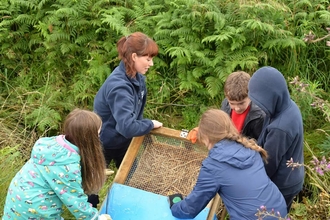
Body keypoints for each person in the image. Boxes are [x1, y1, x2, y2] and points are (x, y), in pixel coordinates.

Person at [169, 109, 287, 220]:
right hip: (278, 209)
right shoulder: (249, 148)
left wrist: (175, 206)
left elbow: (190, 209)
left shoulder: (213, 166)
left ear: (205, 136)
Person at [2, 109, 111, 220]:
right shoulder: (67, 168)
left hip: (15, 206)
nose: (99, 138)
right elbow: (75, 202)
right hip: (35, 212)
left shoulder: (51, 145)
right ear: (89, 139)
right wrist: (97, 218)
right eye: (97, 134)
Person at [94, 32, 163, 169]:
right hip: (104, 143)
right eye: (148, 59)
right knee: (92, 186)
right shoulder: (120, 87)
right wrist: (149, 124)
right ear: (134, 57)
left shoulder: (137, 78)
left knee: (131, 180)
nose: (152, 64)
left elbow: (135, 116)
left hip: (124, 141)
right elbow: (127, 127)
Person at [248, 66, 305, 213]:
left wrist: (250, 183)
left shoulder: (280, 128)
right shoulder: (285, 106)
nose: (258, 106)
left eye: (261, 101)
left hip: (282, 184)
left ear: (272, 97)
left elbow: (269, 163)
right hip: (292, 175)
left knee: (274, 214)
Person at [220, 71, 265, 140]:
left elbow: (260, 143)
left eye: (241, 103)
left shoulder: (259, 116)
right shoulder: (225, 104)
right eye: (232, 103)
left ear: (250, 96)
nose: (237, 108)